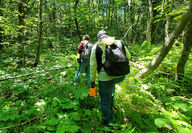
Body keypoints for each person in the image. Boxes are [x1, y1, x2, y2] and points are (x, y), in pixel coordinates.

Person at [90, 30, 131, 127]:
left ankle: (110, 124)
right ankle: (112, 106)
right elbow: (128, 56)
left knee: (104, 101)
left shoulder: (96, 46)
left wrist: (92, 80)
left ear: (98, 37)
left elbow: (93, 66)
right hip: (120, 76)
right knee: (111, 88)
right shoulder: (119, 42)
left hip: (105, 78)